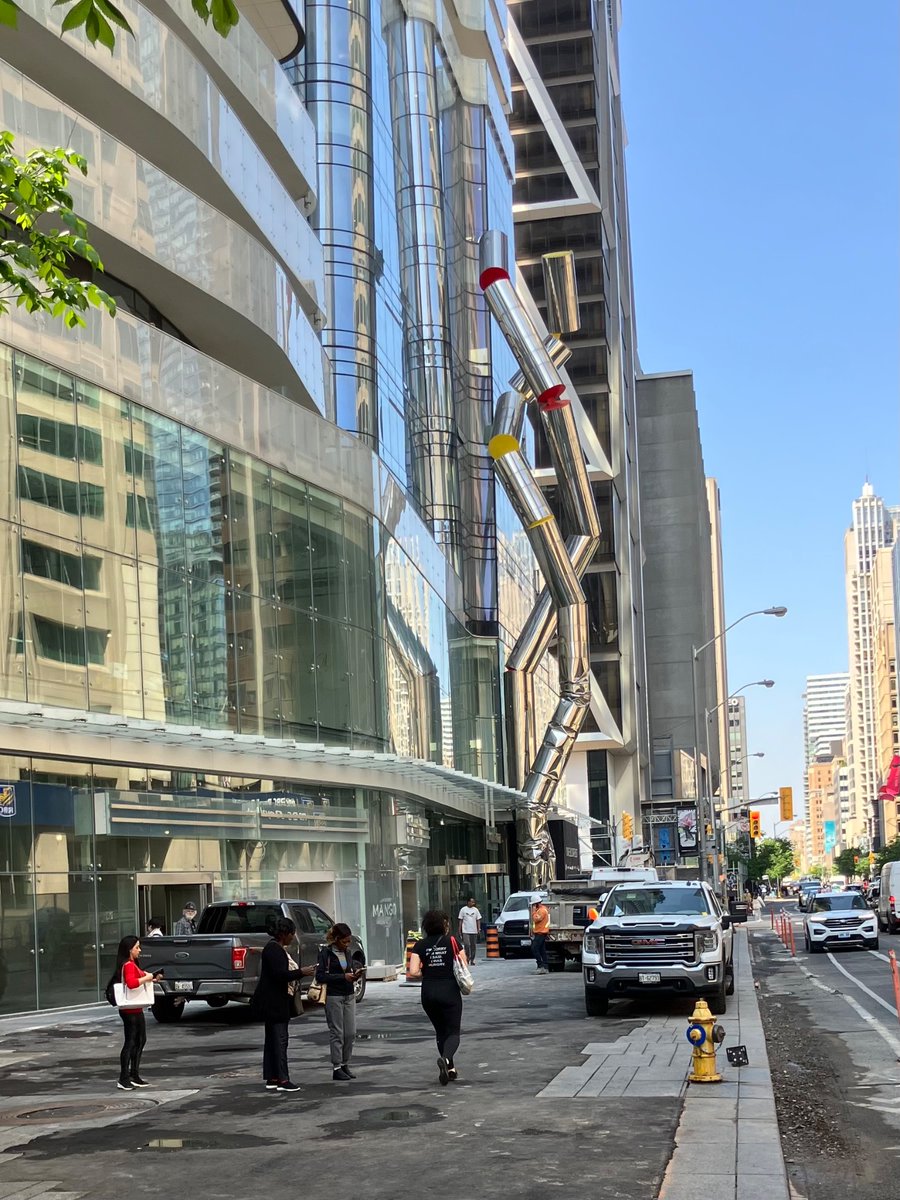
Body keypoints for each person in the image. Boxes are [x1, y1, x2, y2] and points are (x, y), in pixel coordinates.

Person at [251, 916, 314, 1094]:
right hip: (275, 1003)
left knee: (273, 1041)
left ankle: (272, 1077)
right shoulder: (275, 950)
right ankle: (283, 1078)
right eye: (292, 934)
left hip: (272, 1002)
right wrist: (301, 972)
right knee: (280, 1041)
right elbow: (280, 975)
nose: (293, 937)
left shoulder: (272, 948)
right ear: (284, 934)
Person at [407, 910, 468, 1085]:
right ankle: (446, 1058)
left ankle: (449, 1068)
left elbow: (413, 971)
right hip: (449, 991)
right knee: (453, 1032)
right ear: (444, 925)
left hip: (428, 992)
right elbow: (463, 964)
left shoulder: (420, 945)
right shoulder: (453, 941)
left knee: (441, 1031)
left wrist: (428, 971)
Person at [109, 935, 161, 1091]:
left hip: (135, 1008)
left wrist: (151, 977)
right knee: (131, 1042)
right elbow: (131, 984)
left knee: (139, 1040)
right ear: (129, 949)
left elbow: (139, 977)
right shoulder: (129, 965)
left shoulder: (132, 964)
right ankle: (124, 1077)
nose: (139, 950)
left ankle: (133, 1075)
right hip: (130, 1010)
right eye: (137, 947)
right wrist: (149, 977)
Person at [316, 923, 365, 1082]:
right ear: (336, 939)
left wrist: (355, 974)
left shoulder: (348, 952)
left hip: (349, 994)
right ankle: (336, 1067)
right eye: (344, 941)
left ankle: (345, 1063)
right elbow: (320, 976)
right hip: (333, 995)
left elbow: (348, 971)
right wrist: (342, 977)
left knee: (350, 1033)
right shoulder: (326, 954)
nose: (347, 944)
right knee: (337, 1032)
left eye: (348, 941)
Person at [457, 898, 482, 964]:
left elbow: (478, 920)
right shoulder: (463, 909)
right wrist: (459, 930)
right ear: (468, 902)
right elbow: (460, 920)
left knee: (473, 945)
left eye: (474, 902)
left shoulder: (476, 910)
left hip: (474, 930)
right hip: (465, 930)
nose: (473, 903)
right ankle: (467, 957)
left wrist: (478, 928)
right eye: (472, 902)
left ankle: (472, 959)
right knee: (467, 944)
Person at [531, 897, 550, 974]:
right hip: (540, 932)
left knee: (534, 948)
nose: (533, 906)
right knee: (542, 950)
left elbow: (536, 919)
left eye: (534, 904)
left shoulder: (541, 911)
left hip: (541, 933)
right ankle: (545, 967)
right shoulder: (541, 909)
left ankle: (540, 966)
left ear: (537, 904)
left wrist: (533, 912)